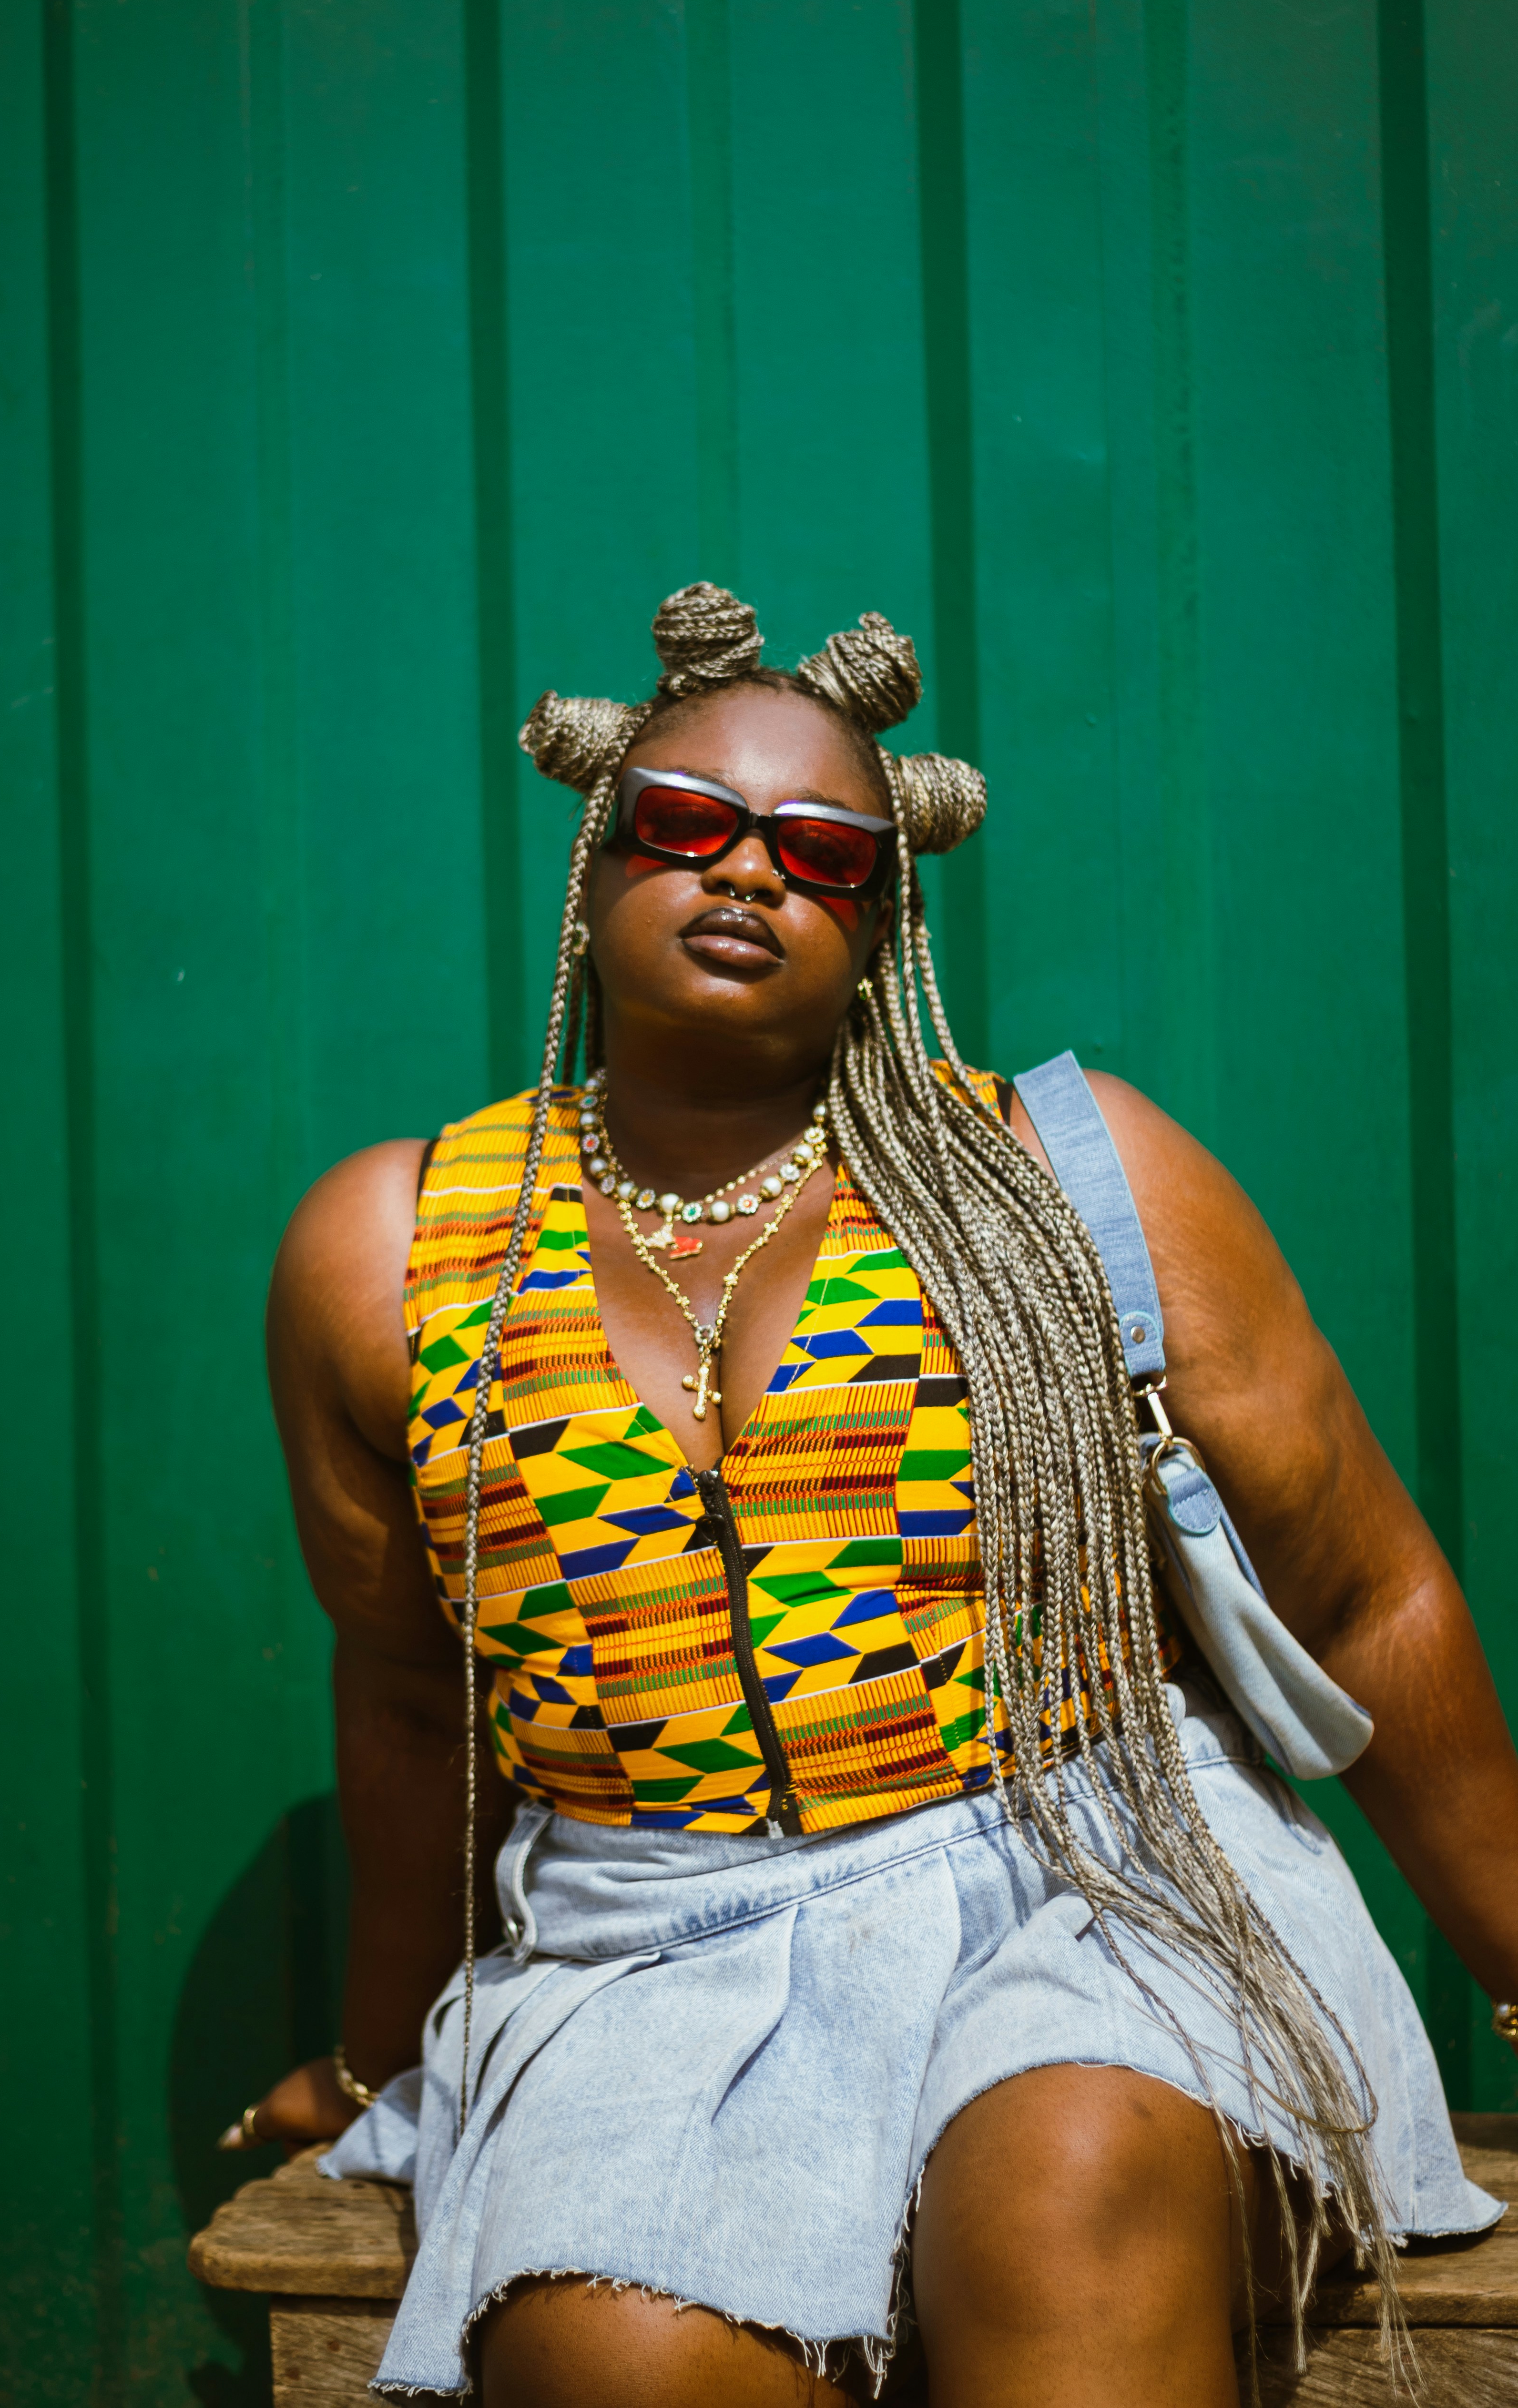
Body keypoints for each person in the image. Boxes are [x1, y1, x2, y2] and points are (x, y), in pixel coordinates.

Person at [225, 586, 1517, 2407]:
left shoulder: (1065, 1176)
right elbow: (419, 1695)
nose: (747, 872)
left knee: (1061, 2199)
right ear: (596, 867)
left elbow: (1363, 1591)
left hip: (1093, 1875)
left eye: (819, 851)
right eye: (686, 825)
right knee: (614, 2358)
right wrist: (376, 2059)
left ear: (883, 910)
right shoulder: (387, 1250)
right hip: (649, 1946)